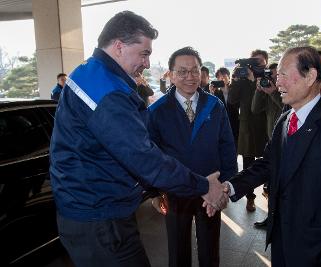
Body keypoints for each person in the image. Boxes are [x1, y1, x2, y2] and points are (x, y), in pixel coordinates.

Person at [50, 11, 226, 267]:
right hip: (102, 219)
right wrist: (204, 186)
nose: (146, 63)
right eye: (144, 53)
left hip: (90, 208)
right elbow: (144, 157)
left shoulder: (89, 72)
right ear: (119, 46)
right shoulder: (108, 93)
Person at [224, 46, 321, 267]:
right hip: (282, 239)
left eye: (283, 74)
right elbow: (268, 163)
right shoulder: (285, 120)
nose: (278, 82)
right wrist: (230, 187)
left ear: (311, 76)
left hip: (320, 248)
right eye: (276, 75)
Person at [148, 47, 237, 267]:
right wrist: (154, 191)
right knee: (178, 250)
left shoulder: (215, 106)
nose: (190, 77)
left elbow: (227, 147)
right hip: (175, 190)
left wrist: (226, 185)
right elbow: (151, 154)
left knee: (210, 248)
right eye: (182, 71)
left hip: (211, 188)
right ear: (171, 74)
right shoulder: (157, 110)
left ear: (201, 72)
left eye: (194, 70)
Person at [228, 49, 268, 212]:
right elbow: (231, 100)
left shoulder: (268, 79)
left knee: (270, 162)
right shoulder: (242, 80)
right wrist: (235, 80)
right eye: (253, 62)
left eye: (260, 62)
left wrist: (254, 81)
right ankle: (250, 198)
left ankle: (269, 192)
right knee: (248, 165)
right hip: (248, 127)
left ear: (266, 62)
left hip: (266, 125)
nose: (255, 65)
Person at [250, 62, 283, 228]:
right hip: (272, 144)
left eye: (278, 76)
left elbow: (287, 108)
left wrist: (274, 92)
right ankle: (271, 218)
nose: (274, 79)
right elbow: (255, 109)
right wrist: (259, 90)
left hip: (286, 144)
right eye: (272, 76)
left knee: (280, 186)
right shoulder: (270, 92)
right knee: (270, 184)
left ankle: (280, 220)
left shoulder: (285, 92)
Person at [211, 67, 240, 150]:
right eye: (219, 76)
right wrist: (212, 93)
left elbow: (237, 105)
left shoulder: (234, 89)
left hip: (235, 125)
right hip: (221, 127)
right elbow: (214, 109)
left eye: (224, 75)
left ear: (229, 76)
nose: (222, 78)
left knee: (235, 150)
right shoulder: (216, 93)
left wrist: (227, 90)